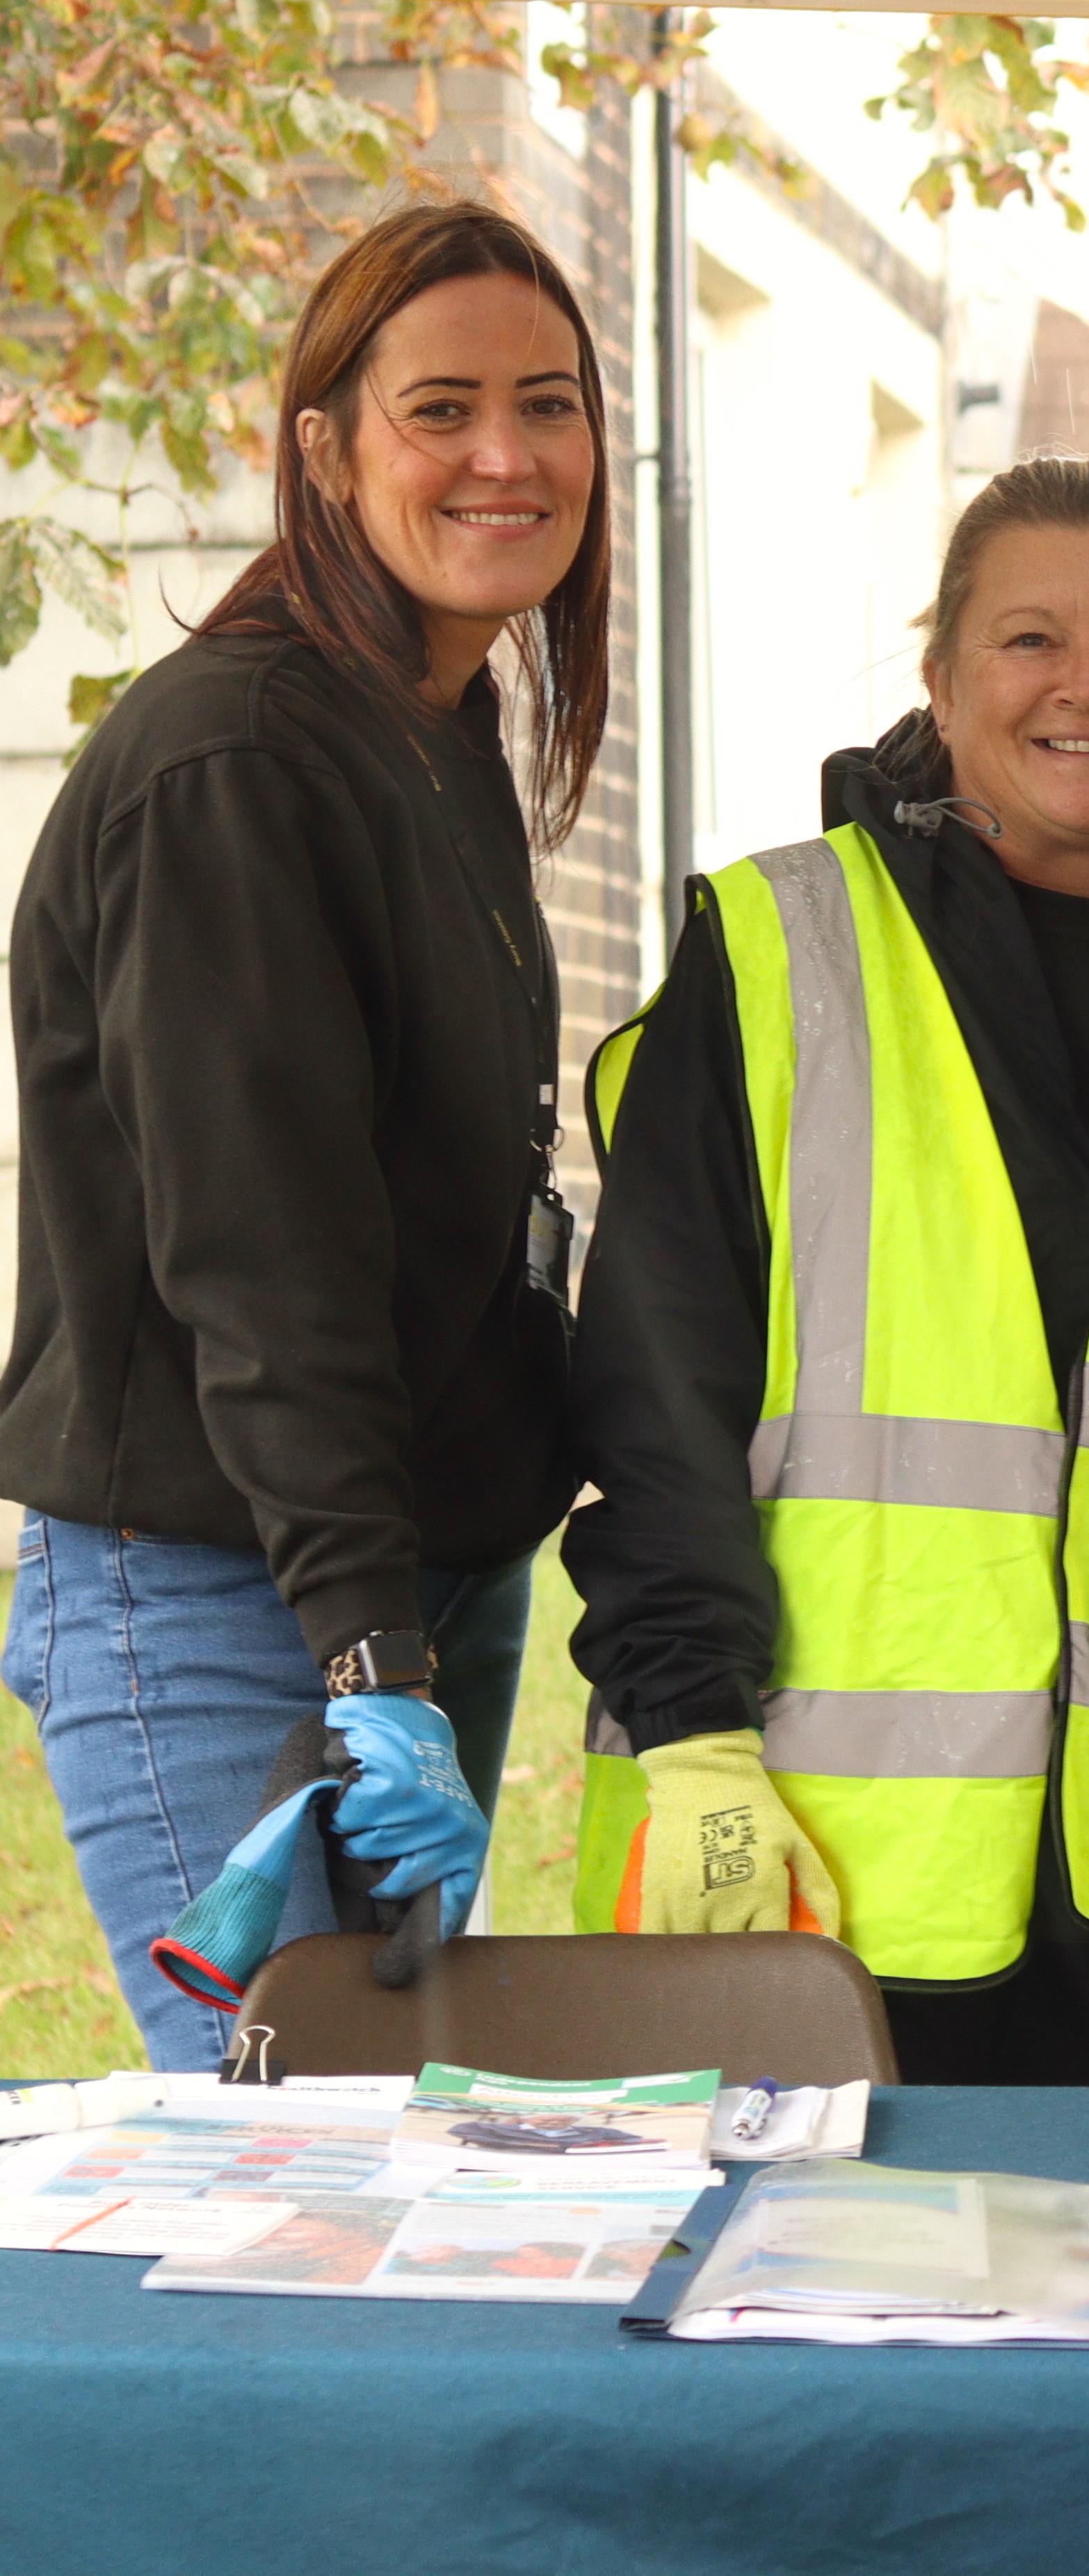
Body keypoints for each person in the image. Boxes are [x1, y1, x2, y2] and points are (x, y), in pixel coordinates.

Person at [563, 455, 1089, 2087]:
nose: (1087, 684)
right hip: (791, 1863)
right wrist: (691, 1728)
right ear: (940, 677)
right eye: (1028, 639)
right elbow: (654, 1383)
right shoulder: (781, 954)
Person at [1, 202, 605, 2065]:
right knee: (293, 2178)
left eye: (550, 402)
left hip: (419, 1570)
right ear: (327, 449)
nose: (506, 455)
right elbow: (266, 1259)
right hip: (226, 1578)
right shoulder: (238, 762)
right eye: (442, 407)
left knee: (404, 2161)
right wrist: (369, 1660)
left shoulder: (435, 729)